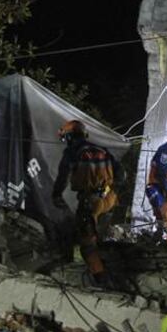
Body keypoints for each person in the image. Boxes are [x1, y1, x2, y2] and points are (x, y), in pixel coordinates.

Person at [52, 120, 123, 285]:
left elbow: (63, 177)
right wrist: (112, 192)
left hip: (91, 202)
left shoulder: (73, 151)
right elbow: (122, 174)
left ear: (69, 136)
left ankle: (102, 282)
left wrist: (56, 195)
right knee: (101, 240)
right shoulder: (102, 150)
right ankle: (114, 274)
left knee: (87, 244)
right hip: (109, 200)